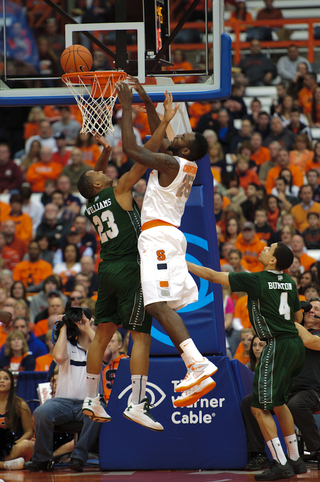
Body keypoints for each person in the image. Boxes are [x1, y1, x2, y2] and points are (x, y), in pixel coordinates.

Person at [116, 78, 217, 409]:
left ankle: (198, 363)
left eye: (181, 136)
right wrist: (149, 101)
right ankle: (195, 364)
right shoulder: (182, 164)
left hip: (159, 237)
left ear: (185, 150)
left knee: (156, 306)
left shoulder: (172, 163)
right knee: (158, 305)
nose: (175, 134)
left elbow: (132, 150)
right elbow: (160, 139)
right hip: (163, 235)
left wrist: (127, 104)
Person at [187, 242, 306, 481]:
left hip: (275, 345)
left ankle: (280, 463)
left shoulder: (257, 279)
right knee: (279, 402)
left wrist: (181, 262)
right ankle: (295, 459)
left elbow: (211, 275)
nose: (263, 248)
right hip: (294, 345)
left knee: (258, 407)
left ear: (273, 261)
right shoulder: (290, 283)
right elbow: (298, 317)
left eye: (269, 248)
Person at [77, 125, 169, 430]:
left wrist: (105, 151)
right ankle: (136, 403)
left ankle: (91, 399)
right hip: (131, 267)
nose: (105, 172)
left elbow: (94, 176)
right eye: (100, 174)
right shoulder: (119, 190)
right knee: (141, 335)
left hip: (107, 269)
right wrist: (164, 124)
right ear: (98, 184)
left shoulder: (91, 203)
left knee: (103, 334)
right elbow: (142, 159)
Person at [243, 298, 320, 471]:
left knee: (296, 404)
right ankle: (258, 454)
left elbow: (308, 341)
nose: (311, 310)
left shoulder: (313, 335)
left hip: (313, 391)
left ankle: (317, 449)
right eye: (308, 308)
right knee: (251, 402)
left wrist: (289, 320)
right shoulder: (289, 333)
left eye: (316, 308)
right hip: (287, 390)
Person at [24, 310, 102, 473]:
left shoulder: (96, 344)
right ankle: (42, 459)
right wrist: (64, 327)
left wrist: (87, 328)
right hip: (62, 403)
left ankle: (79, 457)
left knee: (97, 410)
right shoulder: (68, 345)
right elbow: (59, 356)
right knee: (41, 412)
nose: (80, 322)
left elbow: (103, 351)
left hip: (89, 402)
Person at [0, 369, 34, 470]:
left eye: (6, 378)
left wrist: (17, 443)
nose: (2, 381)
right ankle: (6, 465)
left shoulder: (20, 404)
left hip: (14, 446)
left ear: (12, 383)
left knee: (28, 445)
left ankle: (8, 463)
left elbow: (28, 432)